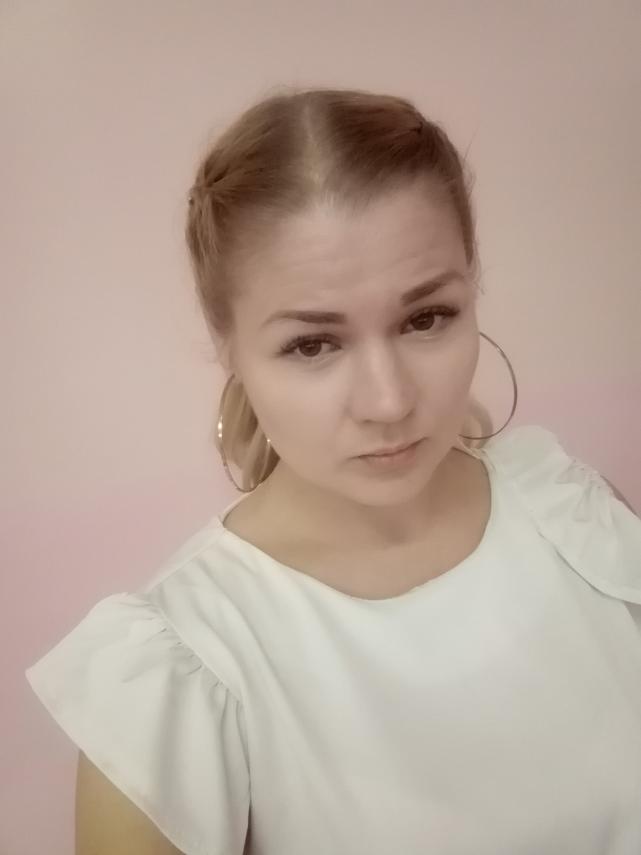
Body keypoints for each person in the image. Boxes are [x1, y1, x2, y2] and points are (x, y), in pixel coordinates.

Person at [25, 87, 641, 855]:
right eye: (312, 344)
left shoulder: (570, 514)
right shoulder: (178, 675)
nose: (389, 401)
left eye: (425, 318)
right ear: (228, 344)